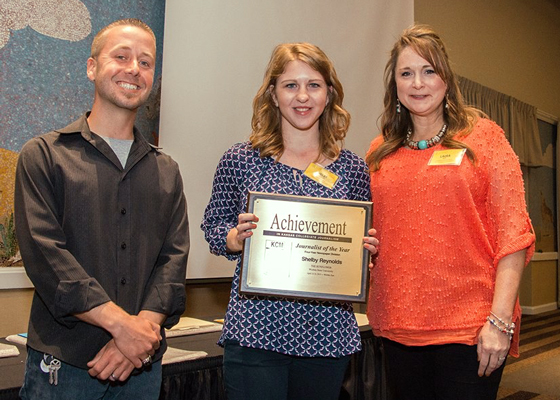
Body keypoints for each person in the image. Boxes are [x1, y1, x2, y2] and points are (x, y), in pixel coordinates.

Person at [14, 18, 189, 400]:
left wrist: (138, 334)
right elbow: (46, 257)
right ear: (92, 67)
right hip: (66, 368)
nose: (134, 70)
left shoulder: (166, 171)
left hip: (142, 368)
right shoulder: (44, 156)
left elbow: (172, 261)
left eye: (146, 62)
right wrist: (123, 328)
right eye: (121, 56)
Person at [365, 24, 535, 400]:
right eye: (406, 73)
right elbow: (375, 237)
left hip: (471, 330)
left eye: (429, 71)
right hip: (397, 328)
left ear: (447, 79)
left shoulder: (485, 138)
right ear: (394, 85)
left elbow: (514, 236)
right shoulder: (379, 153)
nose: (418, 83)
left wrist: (500, 322)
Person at [201, 42, 378, 400]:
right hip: (255, 330)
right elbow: (213, 227)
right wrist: (234, 237)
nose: (303, 96)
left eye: (313, 85)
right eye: (290, 85)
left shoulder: (353, 169)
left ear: (329, 94)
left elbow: (357, 241)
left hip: (326, 335)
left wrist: (366, 252)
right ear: (273, 94)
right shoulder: (240, 158)